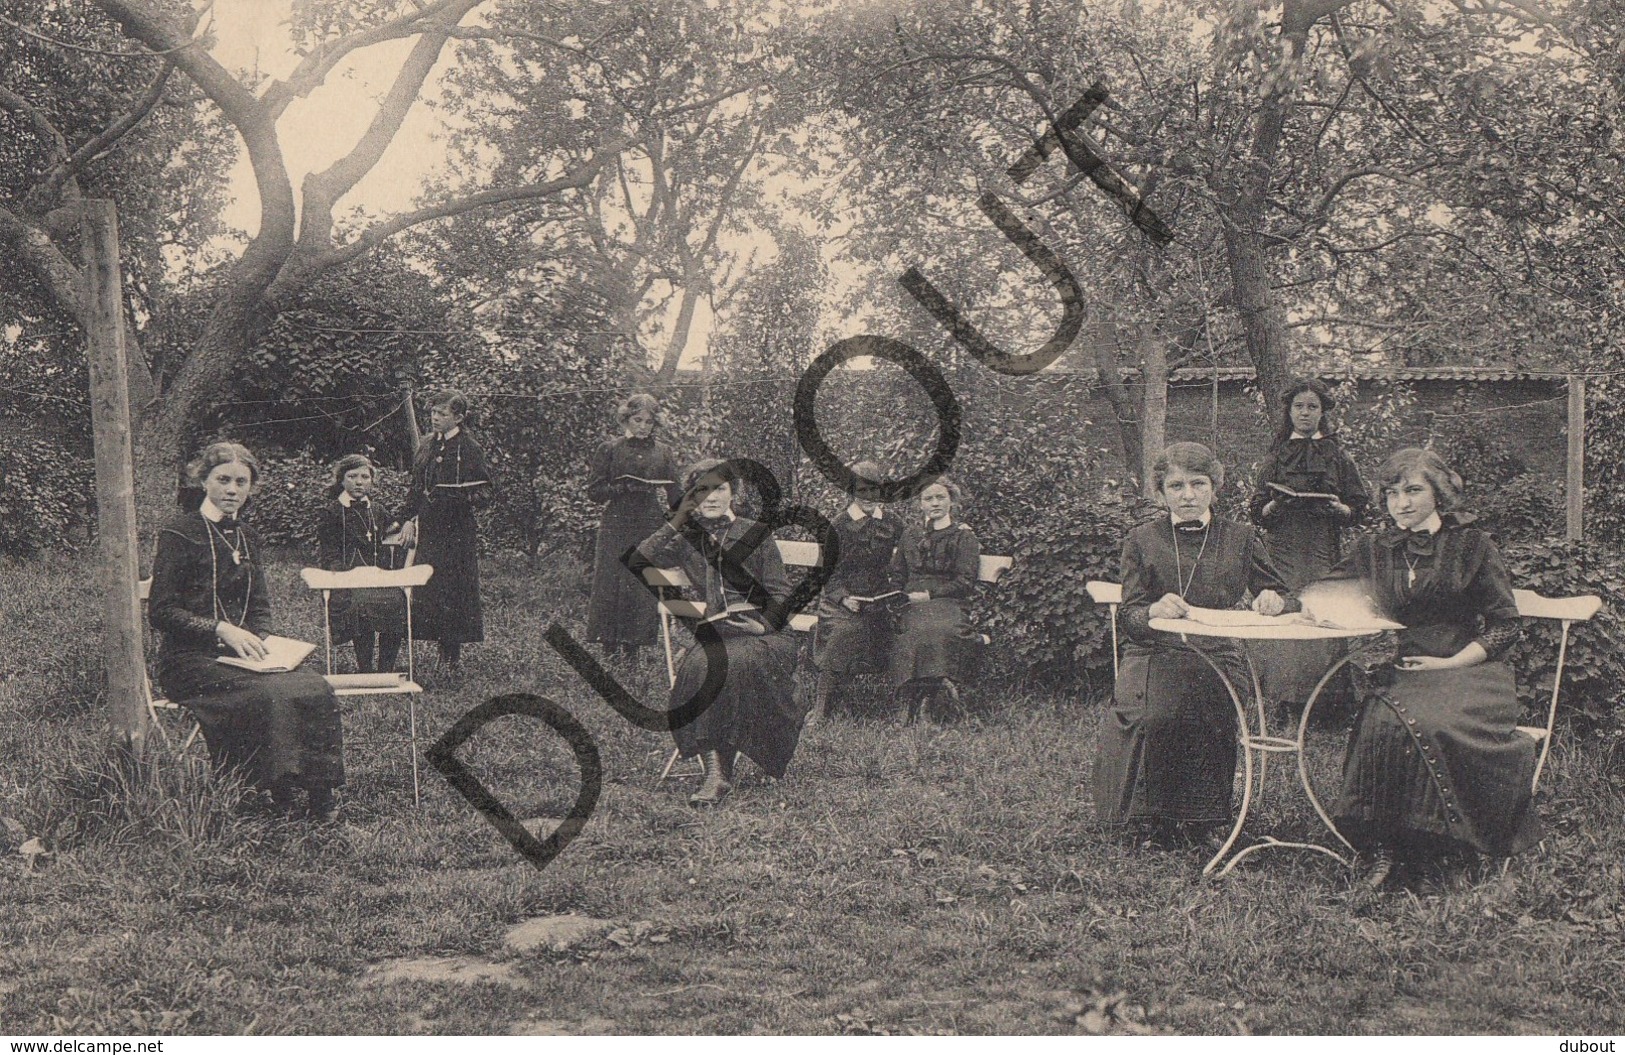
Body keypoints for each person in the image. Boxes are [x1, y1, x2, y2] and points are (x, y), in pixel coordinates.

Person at [1322, 447, 1539, 889]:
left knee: (1434, 721)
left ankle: (1444, 848)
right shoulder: (1374, 548)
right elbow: (1327, 588)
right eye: (1392, 493)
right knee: (1382, 720)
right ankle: (1385, 848)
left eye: (1413, 490)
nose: (1402, 503)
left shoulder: (1472, 546)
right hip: (1405, 666)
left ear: (1438, 492)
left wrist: (1451, 662)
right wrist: (1282, 600)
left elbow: (1505, 625)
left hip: (1468, 669)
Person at [1094, 442, 1295, 845]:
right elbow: (1130, 615)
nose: (1188, 495)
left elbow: (1283, 593)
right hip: (1155, 649)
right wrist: (1153, 610)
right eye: (1176, 486)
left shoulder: (1241, 537)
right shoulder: (1141, 539)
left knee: (1211, 710)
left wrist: (1273, 598)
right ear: (1160, 492)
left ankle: (1204, 820)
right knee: (1159, 714)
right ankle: (1154, 819)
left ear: (1215, 487)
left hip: (1217, 652)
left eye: (1198, 484)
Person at [148, 442, 344, 821]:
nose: (232, 490)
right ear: (203, 481)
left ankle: (320, 794)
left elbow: (259, 607)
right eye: (223, 480)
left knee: (313, 685)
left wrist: (265, 642)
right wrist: (220, 629)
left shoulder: (248, 536)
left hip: (243, 657)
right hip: (189, 661)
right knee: (268, 693)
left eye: (241, 482)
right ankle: (272, 790)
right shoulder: (179, 532)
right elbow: (161, 612)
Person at [627, 459, 802, 806]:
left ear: (733, 493)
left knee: (731, 665)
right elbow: (641, 558)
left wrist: (760, 625)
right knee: (699, 666)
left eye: (719, 488)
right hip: (718, 632)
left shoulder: (756, 533)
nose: (711, 497)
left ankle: (718, 775)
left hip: (765, 634)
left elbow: (781, 594)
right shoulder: (688, 539)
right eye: (701, 490)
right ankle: (716, 772)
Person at [1248, 379, 1369, 716]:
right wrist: (1275, 504)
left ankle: (1326, 705)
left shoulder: (1338, 456)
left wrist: (1339, 509)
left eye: (1312, 407)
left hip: (1321, 547)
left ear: (1322, 412)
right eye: (1299, 406)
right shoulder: (1275, 455)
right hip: (1283, 547)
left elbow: (1359, 507)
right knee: (1285, 608)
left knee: (1319, 608)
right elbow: (1257, 510)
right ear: (1289, 411)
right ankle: (1282, 701)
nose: (1305, 413)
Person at [585, 393, 682, 662]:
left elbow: (676, 493)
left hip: (649, 524)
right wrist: (620, 488)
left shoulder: (663, 452)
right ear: (626, 419)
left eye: (649, 422)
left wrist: (680, 518)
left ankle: (633, 653)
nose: (643, 426)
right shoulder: (609, 449)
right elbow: (594, 491)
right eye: (637, 420)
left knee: (639, 584)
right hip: (616, 524)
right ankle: (609, 649)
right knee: (610, 583)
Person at [400, 389, 491, 672]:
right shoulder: (427, 445)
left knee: (454, 589)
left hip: (457, 531)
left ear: (459, 418)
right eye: (433, 413)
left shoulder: (470, 448)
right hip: (430, 528)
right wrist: (407, 518)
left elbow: (486, 491)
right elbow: (416, 488)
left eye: (442, 413)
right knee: (432, 588)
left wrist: (461, 495)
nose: (435, 418)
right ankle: (439, 647)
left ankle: (451, 656)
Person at [808, 460, 904, 726]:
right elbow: (828, 572)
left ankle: (905, 705)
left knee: (897, 631)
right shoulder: (838, 525)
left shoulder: (892, 522)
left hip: (879, 599)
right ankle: (822, 707)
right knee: (843, 632)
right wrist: (843, 597)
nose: (869, 496)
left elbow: (914, 546)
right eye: (862, 490)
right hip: (841, 601)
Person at [888, 476, 981, 722]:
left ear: (951, 501)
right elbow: (898, 574)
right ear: (920, 504)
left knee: (939, 630)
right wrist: (897, 597)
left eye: (941, 497)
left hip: (949, 602)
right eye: (928, 498)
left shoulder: (963, 536)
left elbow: (965, 582)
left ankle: (929, 702)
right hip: (912, 603)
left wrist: (930, 595)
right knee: (912, 630)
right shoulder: (910, 534)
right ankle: (909, 698)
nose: (935, 503)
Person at [316, 453, 406, 674]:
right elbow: (329, 555)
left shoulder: (377, 510)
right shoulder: (331, 512)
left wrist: (405, 527)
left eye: (365, 477)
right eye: (352, 476)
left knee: (397, 601)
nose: (359, 482)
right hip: (345, 579)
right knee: (361, 605)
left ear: (372, 481)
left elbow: (393, 531)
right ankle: (365, 669)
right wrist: (346, 576)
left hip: (376, 577)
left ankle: (385, 670)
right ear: (341, 479)